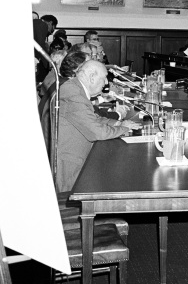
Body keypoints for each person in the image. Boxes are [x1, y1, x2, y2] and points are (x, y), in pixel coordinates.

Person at [56, 60, 141, 192]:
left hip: (80, 160)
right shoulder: (73, 93)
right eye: (104, 78)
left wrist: (118, 123)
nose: (106, 83)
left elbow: (93, 119)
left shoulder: (75, 88)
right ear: (91, 77)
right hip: (71, 170)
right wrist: (124, 129)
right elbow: (97, 132)